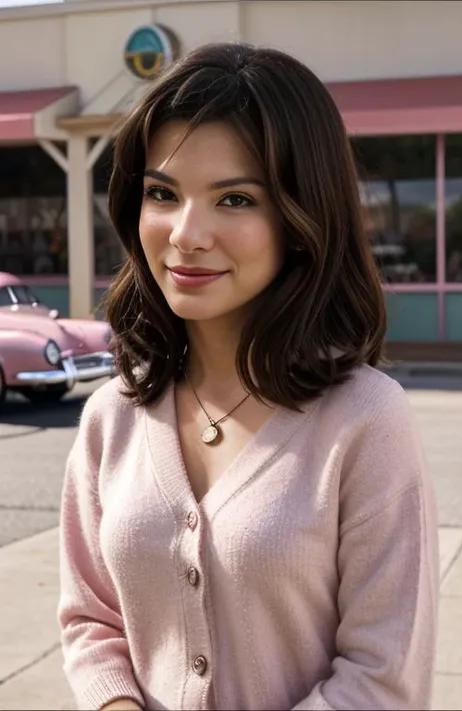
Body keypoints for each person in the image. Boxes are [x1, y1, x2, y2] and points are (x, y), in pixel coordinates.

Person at [57, 42, 439, 711]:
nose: (186, 233)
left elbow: (384, 676)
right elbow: (90, 621)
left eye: (234, 198)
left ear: (300, 219)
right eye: (162, 193)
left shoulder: (367, 420)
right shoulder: (111, 416)